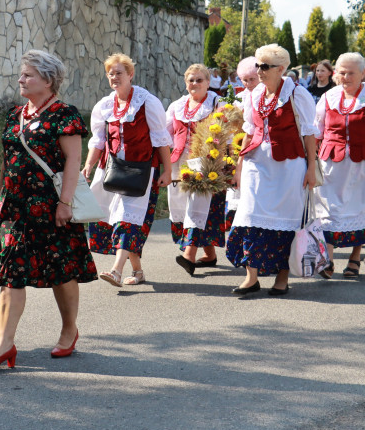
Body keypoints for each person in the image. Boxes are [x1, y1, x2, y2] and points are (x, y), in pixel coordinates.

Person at [0, 49, 98, 365]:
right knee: (11, 271)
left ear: (48, 80)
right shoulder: (15, 114)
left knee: (61, 269)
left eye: (28, 75)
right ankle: (4, 343)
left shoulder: (64, 115)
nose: (21, 79)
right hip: (12, 207)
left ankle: (69, 330)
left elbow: (72, 161)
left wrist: (65, 203)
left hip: (50, 206)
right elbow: (8, 159)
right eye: (22, 74)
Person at [227, 45, 319, 296]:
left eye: (265, 66)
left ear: (281, 69)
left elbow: (309, 133)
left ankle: (282, 277)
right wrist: (239, 165)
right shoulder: (255, 93)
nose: (260, 71)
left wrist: (311, 168)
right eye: (257, 65)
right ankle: (251, 276)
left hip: (288, 166)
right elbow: (248, 130)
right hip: (257, 163)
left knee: (285, 221)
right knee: (249, 214)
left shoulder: (297, 94)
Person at [83, 53, 171, 286]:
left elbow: (161, 139)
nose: (114, 77)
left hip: (140, 171)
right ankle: (138, 271)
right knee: (115, 217)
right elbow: (98, 140)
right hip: (112, 170)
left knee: (127, 219)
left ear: (130, 75)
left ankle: (116, 271)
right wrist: (89, 165)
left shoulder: (147, 102)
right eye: (110, 74)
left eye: (119, 73)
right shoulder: (104, 105)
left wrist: (168, 171)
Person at [314, 53, 365, 278]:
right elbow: (316, 131)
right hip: (331, 163)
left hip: (364, 164)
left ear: (363, 73)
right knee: (326, 210)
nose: (345, 77)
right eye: (342, 72)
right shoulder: (328, 96)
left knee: (362, 209)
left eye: (351, 72)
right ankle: (328, 259)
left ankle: (354, 257)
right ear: (335, 73)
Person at [166, 64, 225, 275]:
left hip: (205, 161)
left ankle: (189, 255)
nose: (195, 83)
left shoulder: (218, 103)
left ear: (208, 83)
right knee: (180, 205)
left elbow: (227, 129)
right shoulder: (177, 105)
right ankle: (209, 255)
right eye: (191, 80)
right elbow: (165, 134)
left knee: (197, 205)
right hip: (179, 160)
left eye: (199, 80)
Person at [225, 57, 261, 231]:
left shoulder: (265, 95)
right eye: (244, 80)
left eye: (252, 79)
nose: (248, 83)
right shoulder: (238, 98)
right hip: (239, 147)